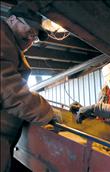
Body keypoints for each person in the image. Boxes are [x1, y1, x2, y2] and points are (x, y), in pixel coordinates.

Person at [0, 3, 55, 172]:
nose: (32, 39)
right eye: (30, 31)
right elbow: (9, 89)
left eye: (35, 36)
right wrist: (47, 112)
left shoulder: (9, 45)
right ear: (12, 19)